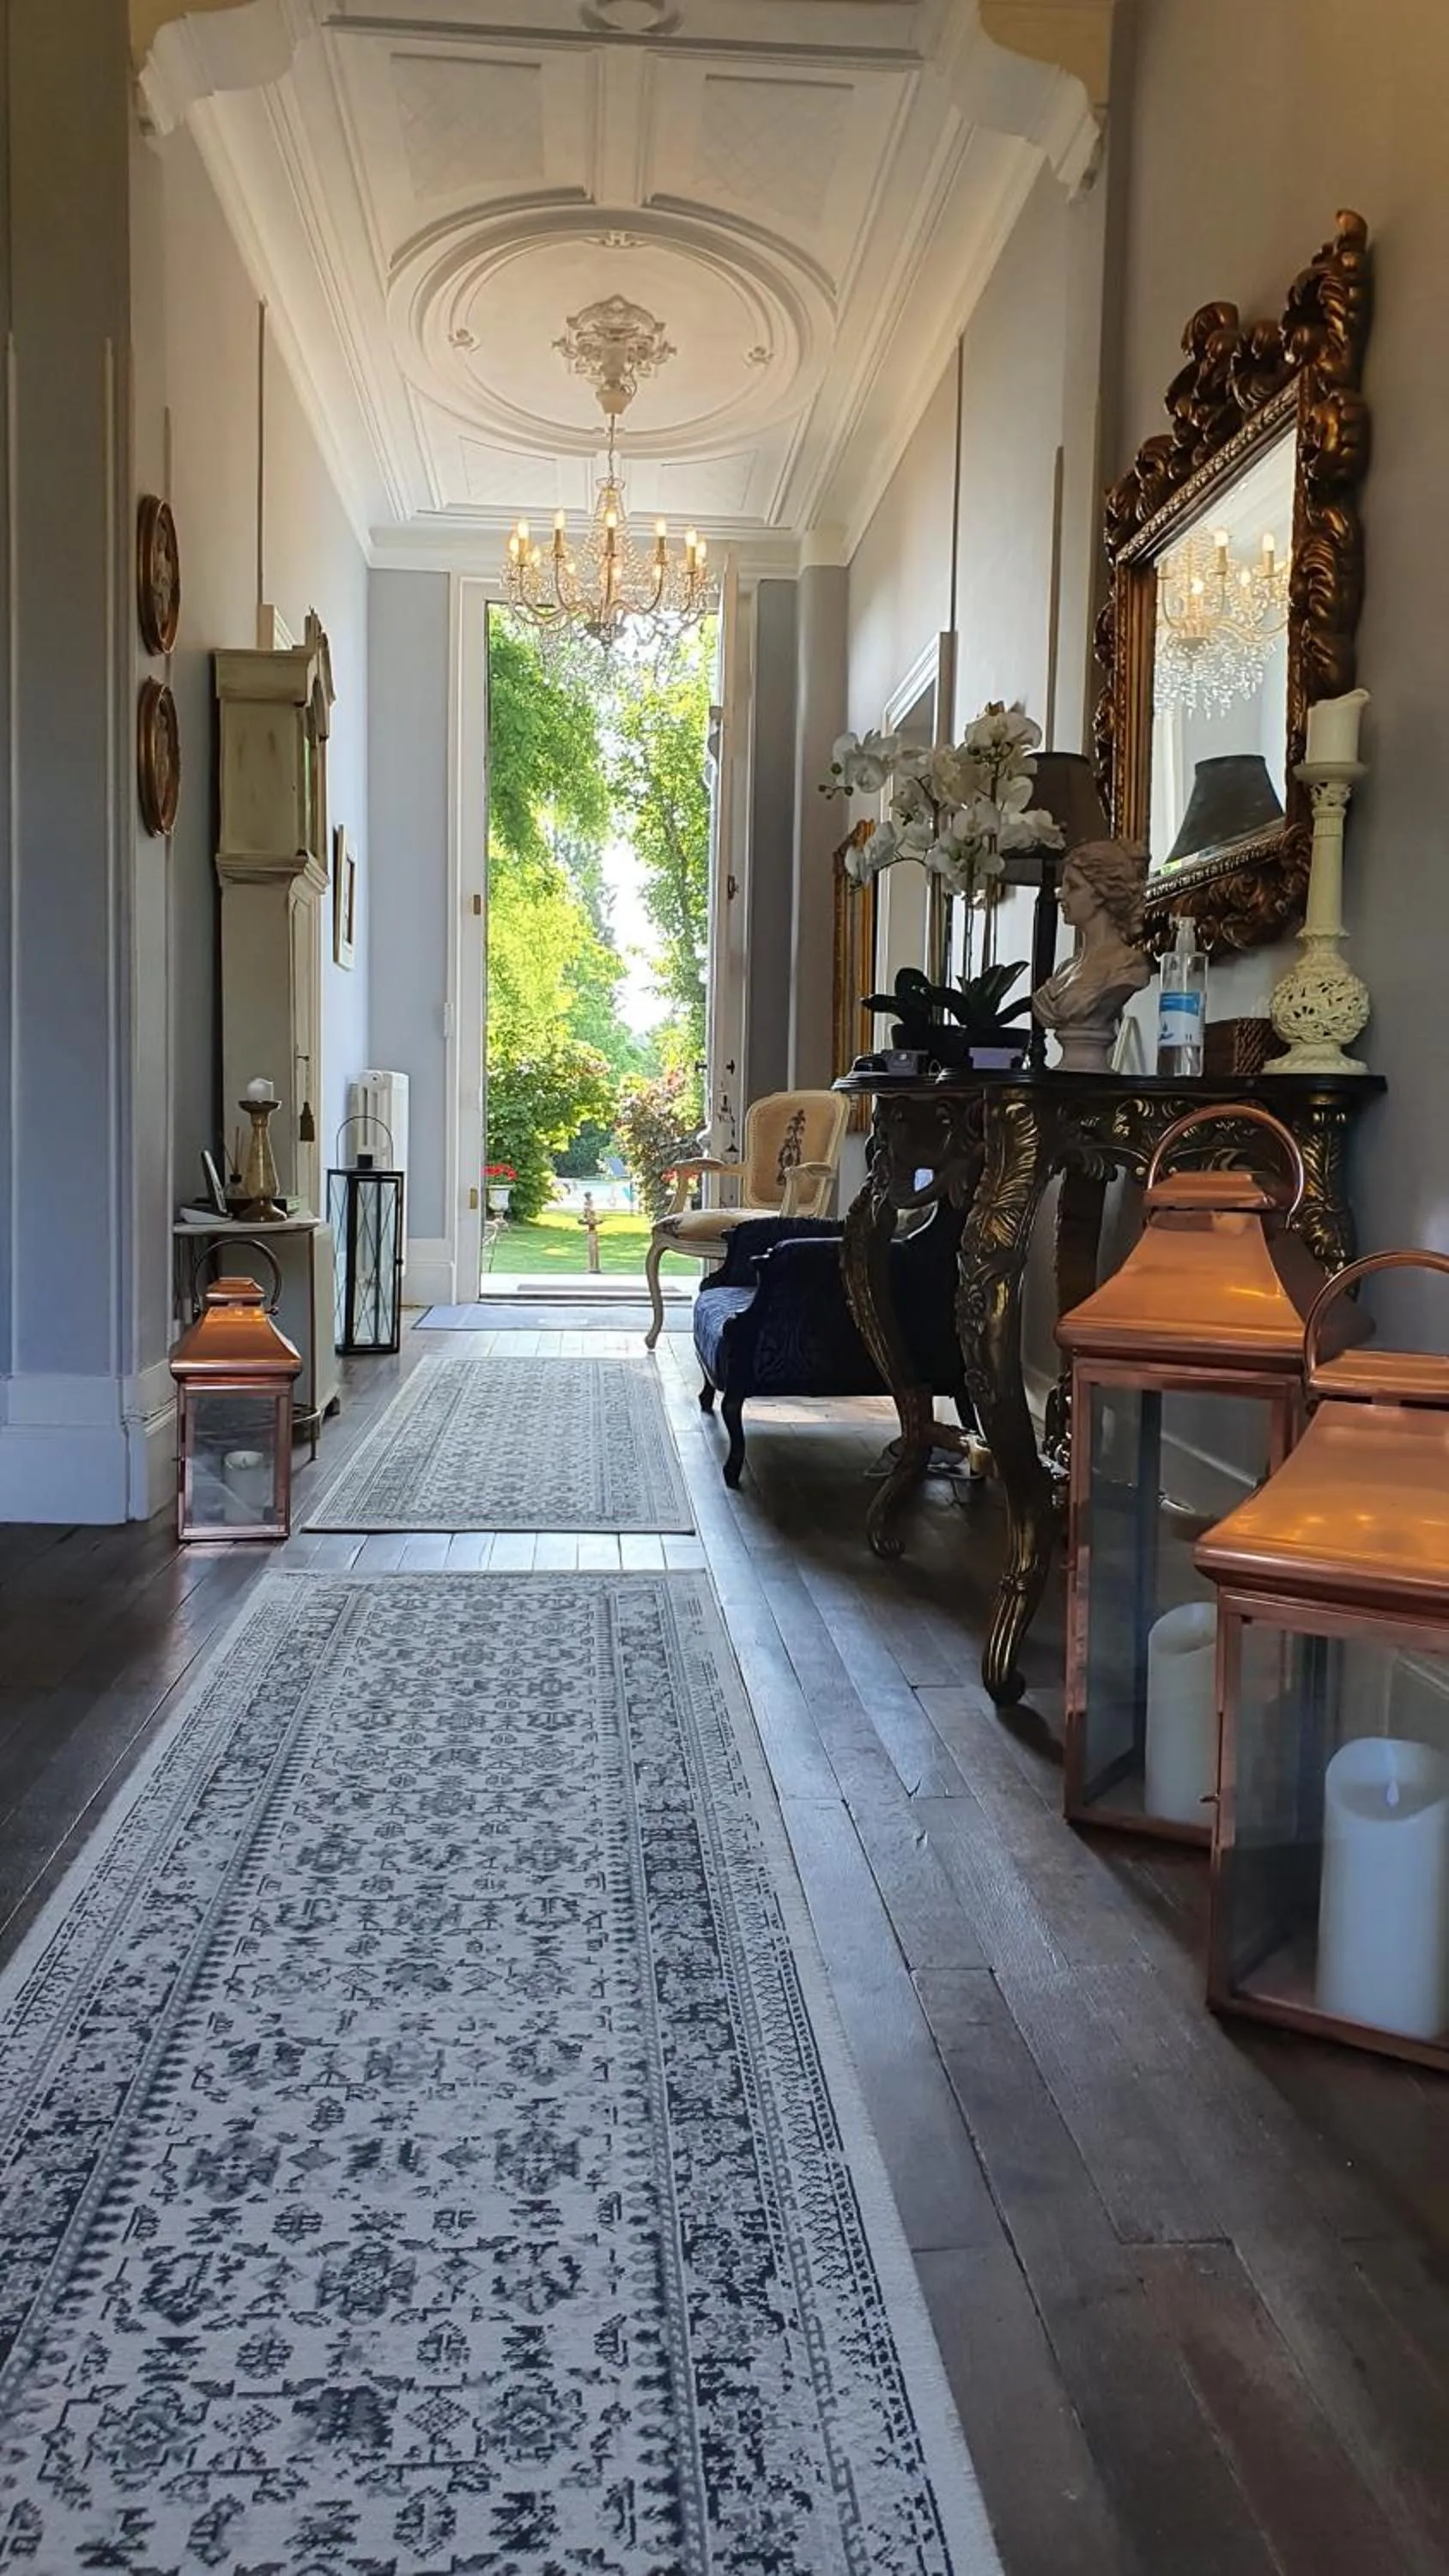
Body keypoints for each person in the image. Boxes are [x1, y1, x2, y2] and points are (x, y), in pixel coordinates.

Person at [1031, 839, 1150, 1072]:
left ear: (1101, 893)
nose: (1060, 895)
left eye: (1073, 886)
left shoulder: (1127, 967)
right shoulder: (1065, 969)